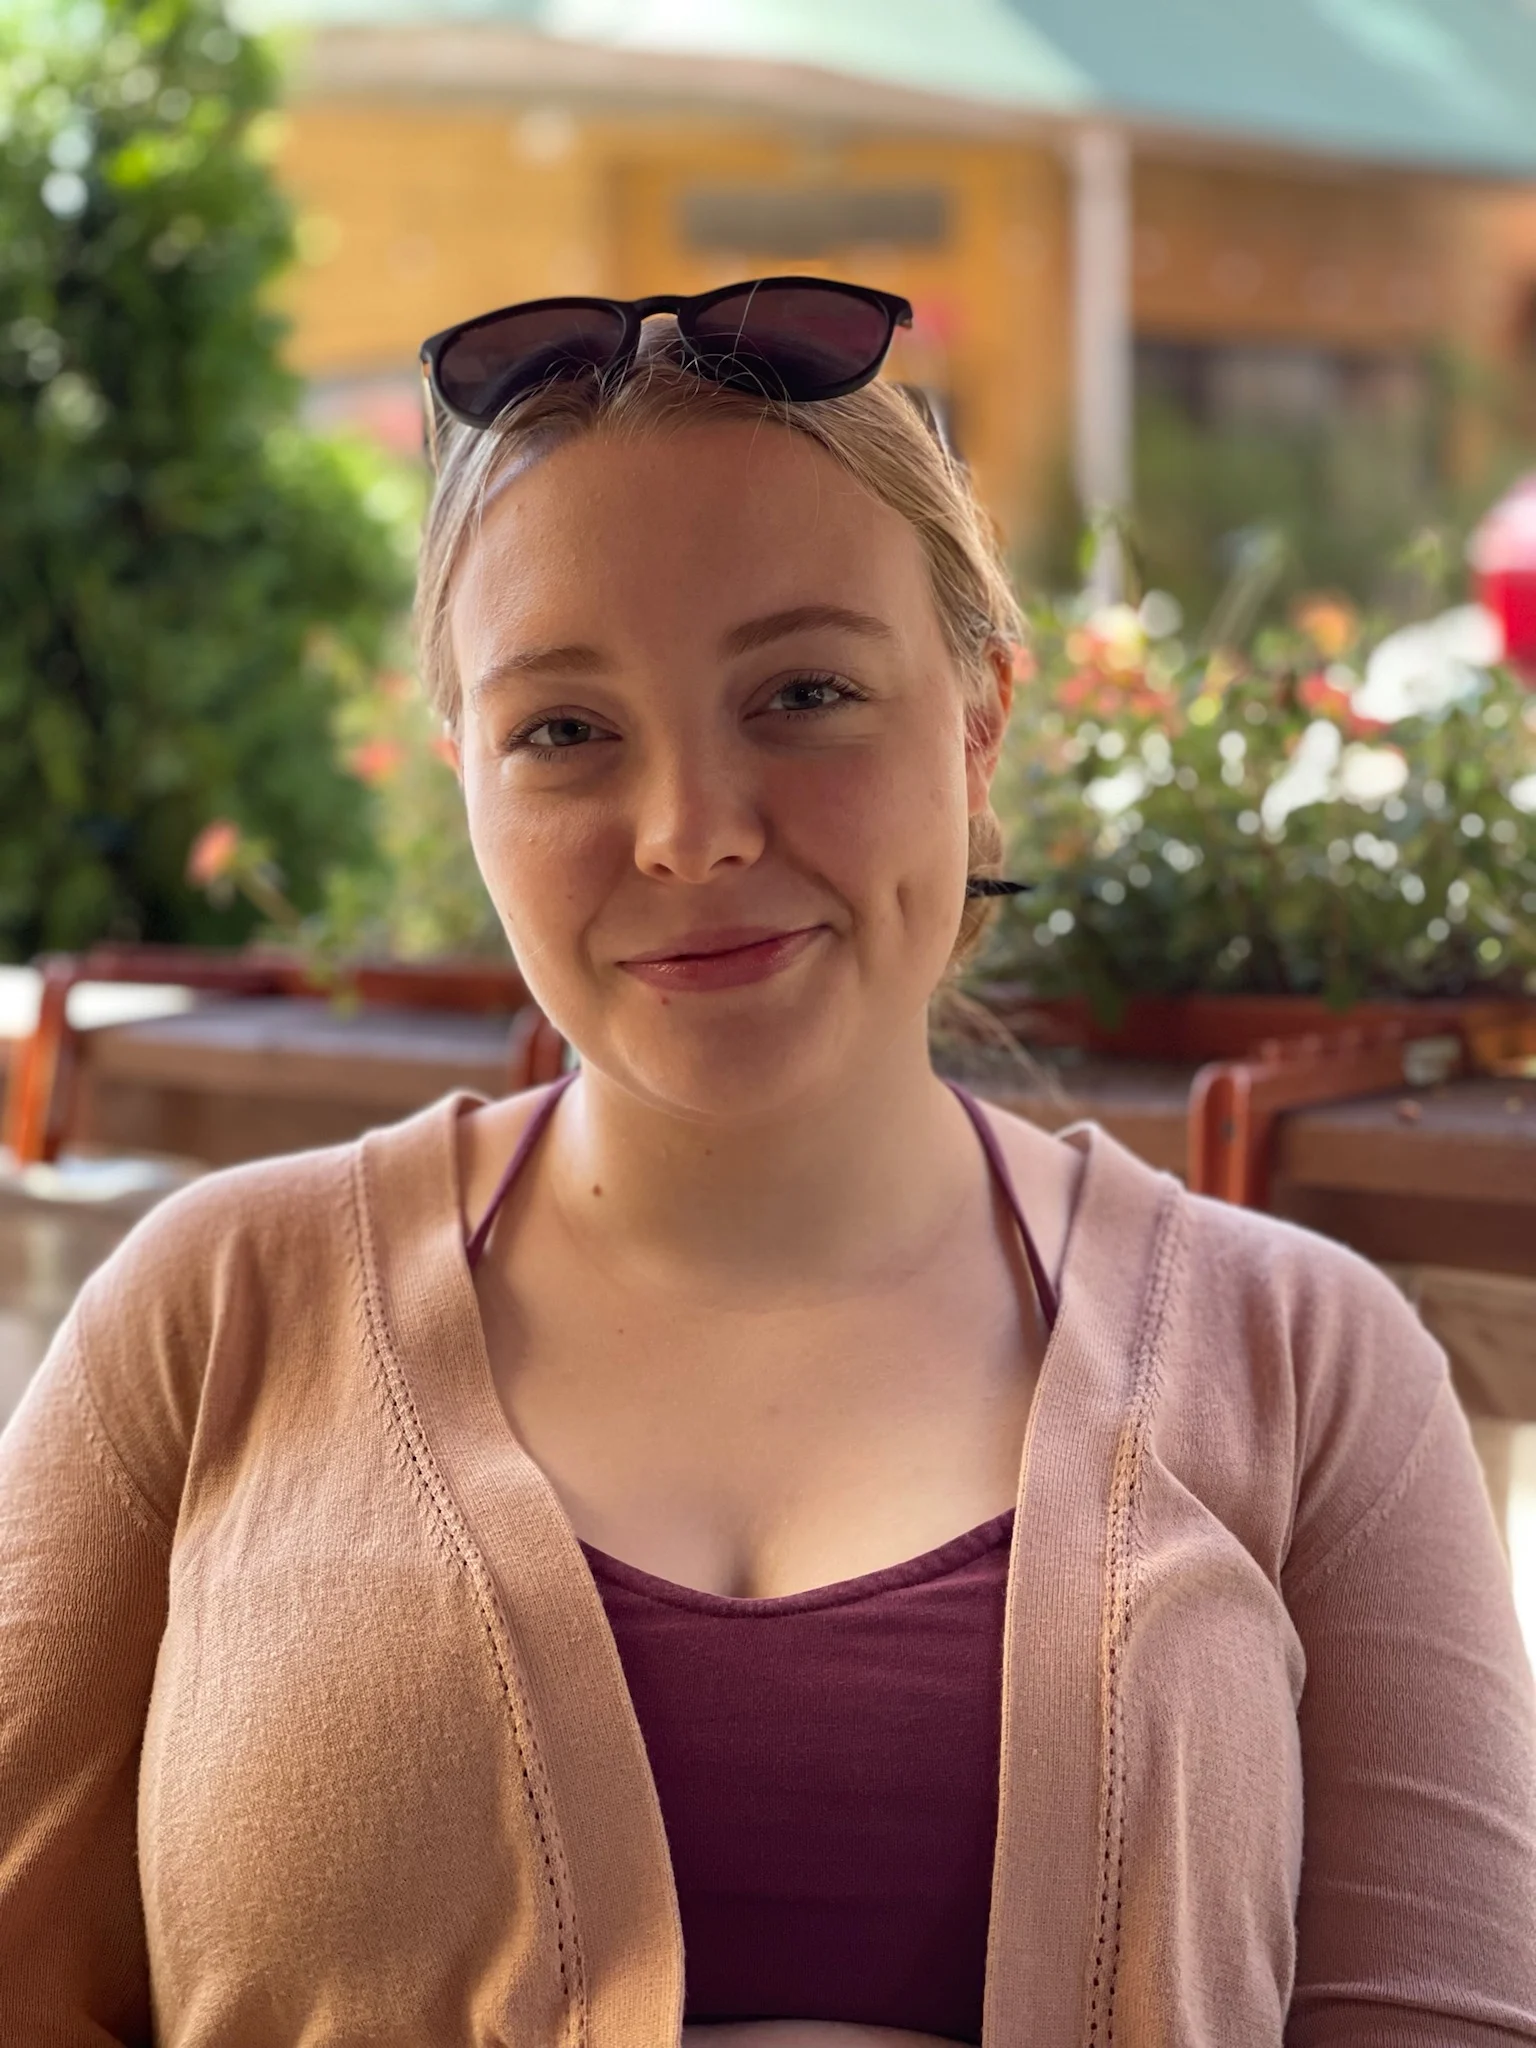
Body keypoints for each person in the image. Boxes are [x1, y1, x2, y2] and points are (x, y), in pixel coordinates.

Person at [0, 277, 1532, 2048]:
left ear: (978, 723)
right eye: (564, 732)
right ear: (465, 781)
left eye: (803, 692)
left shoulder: (1313, 1369)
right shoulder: (210, 1322)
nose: (692, 832)